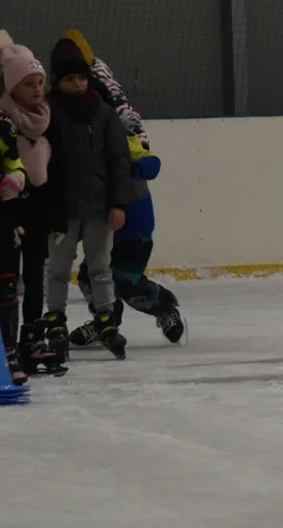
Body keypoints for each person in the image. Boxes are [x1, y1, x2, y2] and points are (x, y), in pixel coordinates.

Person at [39, 36, 132, 361]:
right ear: (57, 81)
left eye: (81, 77)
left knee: (100, 267)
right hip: (62, 209)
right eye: (69, 79)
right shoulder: (47, 112)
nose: (77, 84)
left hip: (98, 207)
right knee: (58, 268)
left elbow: (119, 160)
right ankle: (55, 317)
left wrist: (118, 203)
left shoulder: (103, 114)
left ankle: (105, 316)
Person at [69, 132, 186, 349]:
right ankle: (106, 321)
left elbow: (152, 163)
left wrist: (132, 169)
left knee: (127, 283)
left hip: (135, 230)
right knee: (89, 277)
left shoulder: (119, 137)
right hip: (101, 231)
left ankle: (165, 307)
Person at [0, 32, 48, 383]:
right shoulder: (5, 117)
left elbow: (13, 160)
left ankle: (23, 346)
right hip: (10, 212)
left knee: (26, 279)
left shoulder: (45, 118)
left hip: (28, 211)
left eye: (40, 82)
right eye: (28, 83)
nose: (37, 90)